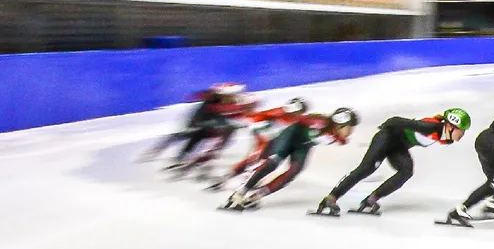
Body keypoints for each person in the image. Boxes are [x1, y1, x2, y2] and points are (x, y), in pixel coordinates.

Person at [314, 108, 472, 216]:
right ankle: (330, 198)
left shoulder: (445, 136)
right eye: (461, 130)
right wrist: (385, 127)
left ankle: (372, 199)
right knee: (367, 168)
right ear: (450, 126)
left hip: (399, 145)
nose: (463, 134)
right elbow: (395, 120)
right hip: (386, 138)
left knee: (406, 171)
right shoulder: (431, 126)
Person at [223, 109, 359, 211]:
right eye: (350, 127)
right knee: (273, 162)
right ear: (339, 124)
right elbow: (298, 120)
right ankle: (241, 192)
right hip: (289, 137)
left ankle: (258, 195)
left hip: (303, 146)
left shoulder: (339, 138)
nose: (351, 131)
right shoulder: (321, 123)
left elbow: (337, 139)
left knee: (294, 171)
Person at [144, 82, 255, 173]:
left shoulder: (241, 102)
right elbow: (199, 116)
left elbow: (246, 114)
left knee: (228, 132)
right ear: (220, 95)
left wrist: (244, 120)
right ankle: (173, 155)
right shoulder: (210, 103)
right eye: (227, 96)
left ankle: (208, 156)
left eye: (232, 96)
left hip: (219, 125)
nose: (229, 98)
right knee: (193, 135)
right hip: (202, 122)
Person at [206, 97, 311, 191]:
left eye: (301, 112)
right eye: (299, 111)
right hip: (264, 136)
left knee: (262, 159)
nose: (299, 114)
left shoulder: (297, 119)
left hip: (273, 138)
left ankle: (235, 176)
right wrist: (261, 129)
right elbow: (257, 117)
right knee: (257, 157)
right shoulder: (278, 112)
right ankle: (236, 176)